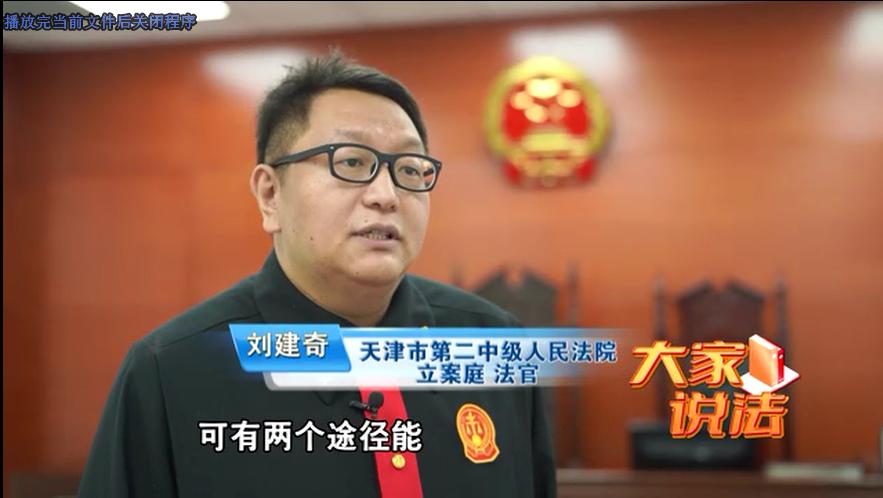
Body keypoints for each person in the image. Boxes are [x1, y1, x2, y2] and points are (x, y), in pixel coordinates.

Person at [78, 53, 556, 498]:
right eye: (351, 162)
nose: (386, 195)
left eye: (410, 169)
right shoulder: (169, 373)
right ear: (270, 195)